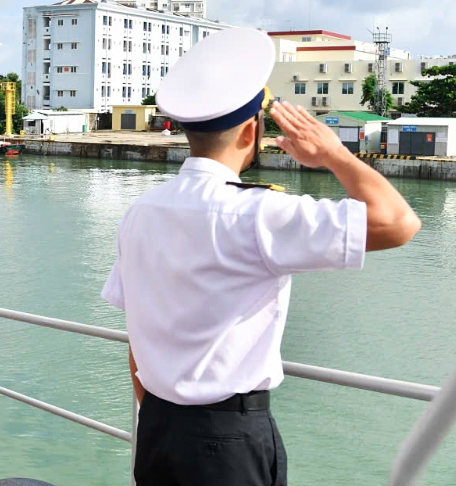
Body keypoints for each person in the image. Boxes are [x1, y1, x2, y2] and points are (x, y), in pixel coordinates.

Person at [101, 28, 421, 486]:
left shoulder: (141, 211)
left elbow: (137, 333)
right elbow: (399, 223)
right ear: (252, 130)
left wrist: (163, 411)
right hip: (227, 441)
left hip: (156, 427)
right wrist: (334, 155)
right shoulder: (257, 212)